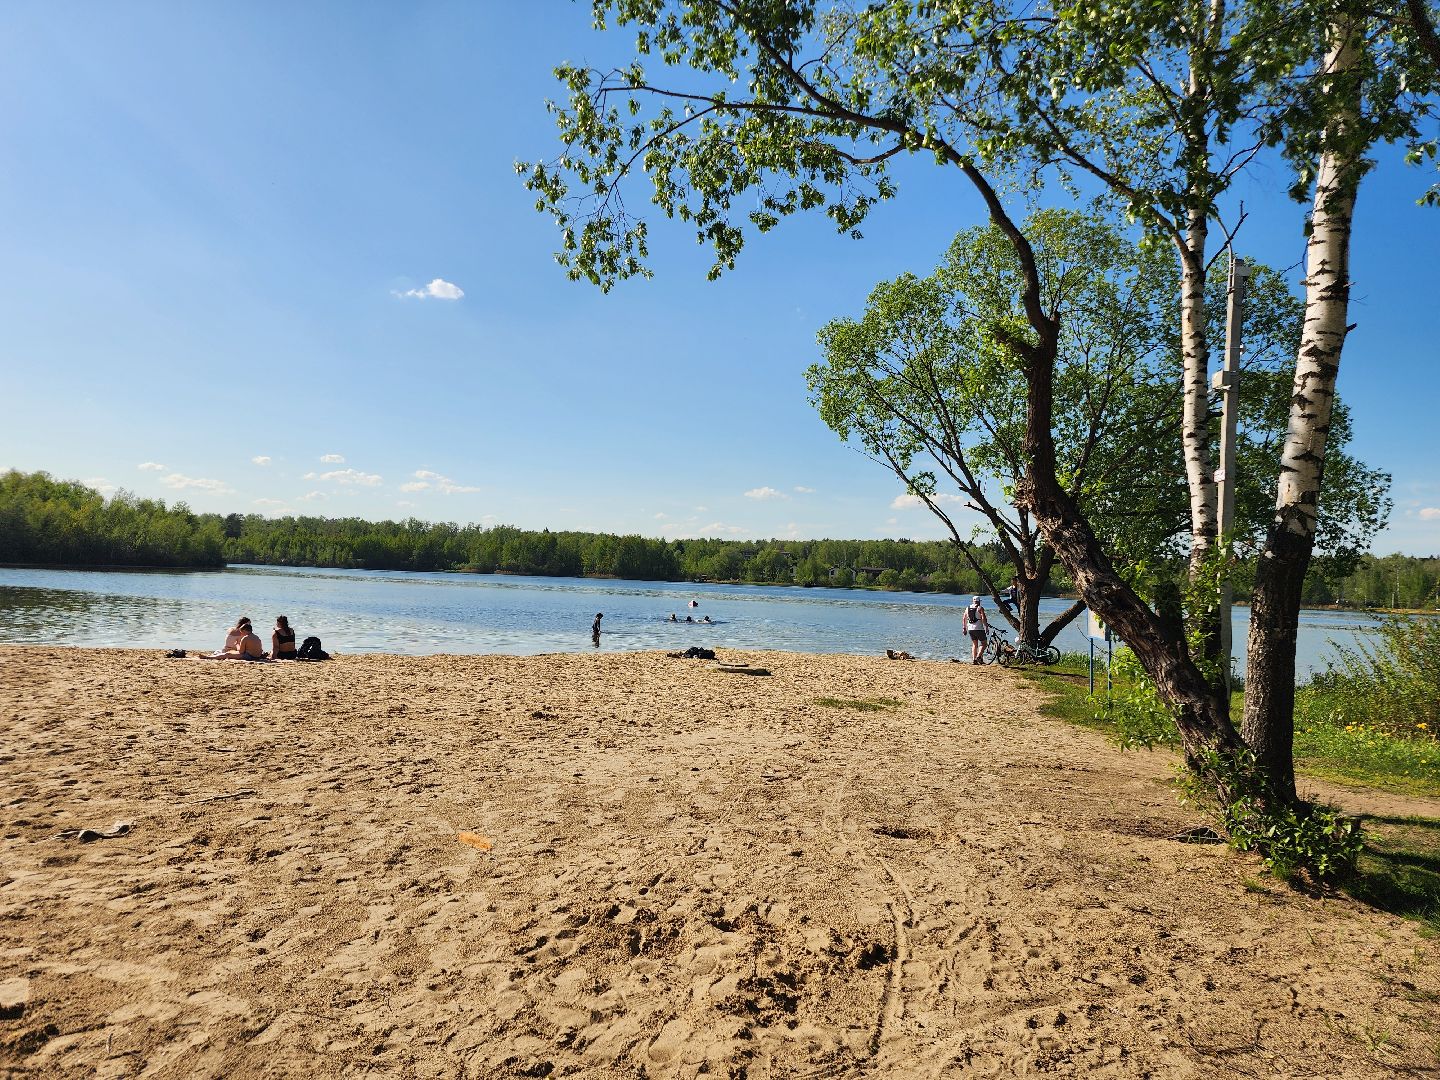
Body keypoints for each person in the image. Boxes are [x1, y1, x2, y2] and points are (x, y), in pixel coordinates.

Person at [963, 595, 990, 664]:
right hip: (979, 628)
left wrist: (964, 628)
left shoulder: (967, 608)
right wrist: (986, 626)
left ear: (973, 601)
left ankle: (974, 660)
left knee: (975, 644)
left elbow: (964, 618)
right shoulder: (980, 608)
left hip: (970, 629)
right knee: (984, 644)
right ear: (979, 602)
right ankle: (978, 656)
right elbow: (983, 618)